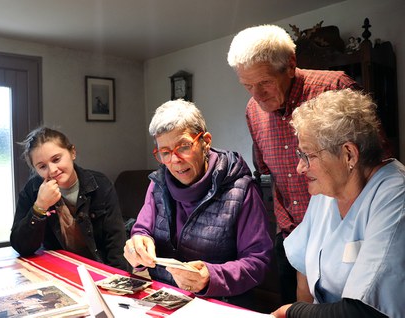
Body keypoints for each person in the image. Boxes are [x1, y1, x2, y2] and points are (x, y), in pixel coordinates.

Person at [227, 24, 361, 303]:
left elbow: (373, 165)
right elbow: (268, 172)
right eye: (247, 86)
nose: (256, 95)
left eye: (264, 83)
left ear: (290, 65)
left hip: (343, 237)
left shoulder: (335, 88)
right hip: (291, 236)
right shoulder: (253, 110)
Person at [123, 99, 273, 308]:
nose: (174, 160)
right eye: (165, 152)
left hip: (219, 304)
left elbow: (258, 262)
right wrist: (137, 244)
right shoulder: (158, 183)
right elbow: (142, 230)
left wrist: (210, 277)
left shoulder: (241, 189)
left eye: (183, 147)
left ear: (206, 141)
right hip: (167, 299)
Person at [271, 89, 404, 318]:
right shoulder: (326, 192)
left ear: (349, 154)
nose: (300, 168)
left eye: (308, 155)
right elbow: (303, 272)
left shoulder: (395, 195)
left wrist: (291, 312)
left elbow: (365, 312)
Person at [10, 127, 129, 271]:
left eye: (56, 159)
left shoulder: (100, 184)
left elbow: (116, 242)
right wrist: (40, 206)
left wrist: (117, 280)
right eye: (42, 166)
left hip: (98, 267)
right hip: (58, 269)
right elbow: (21, 247)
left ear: (72, 152)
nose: (53, 169)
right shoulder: (33, 190)